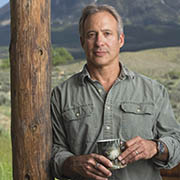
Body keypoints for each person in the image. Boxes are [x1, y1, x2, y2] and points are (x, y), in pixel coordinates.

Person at [50, 4, 180, 180]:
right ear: (82, 42)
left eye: (107, 33)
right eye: (91, 35)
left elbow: (176, 143)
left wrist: (155, 147)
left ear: (121, 40)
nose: (99, 42)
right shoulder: (61, 95)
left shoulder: (154, 91)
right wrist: (71, 163)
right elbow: (54, 150)